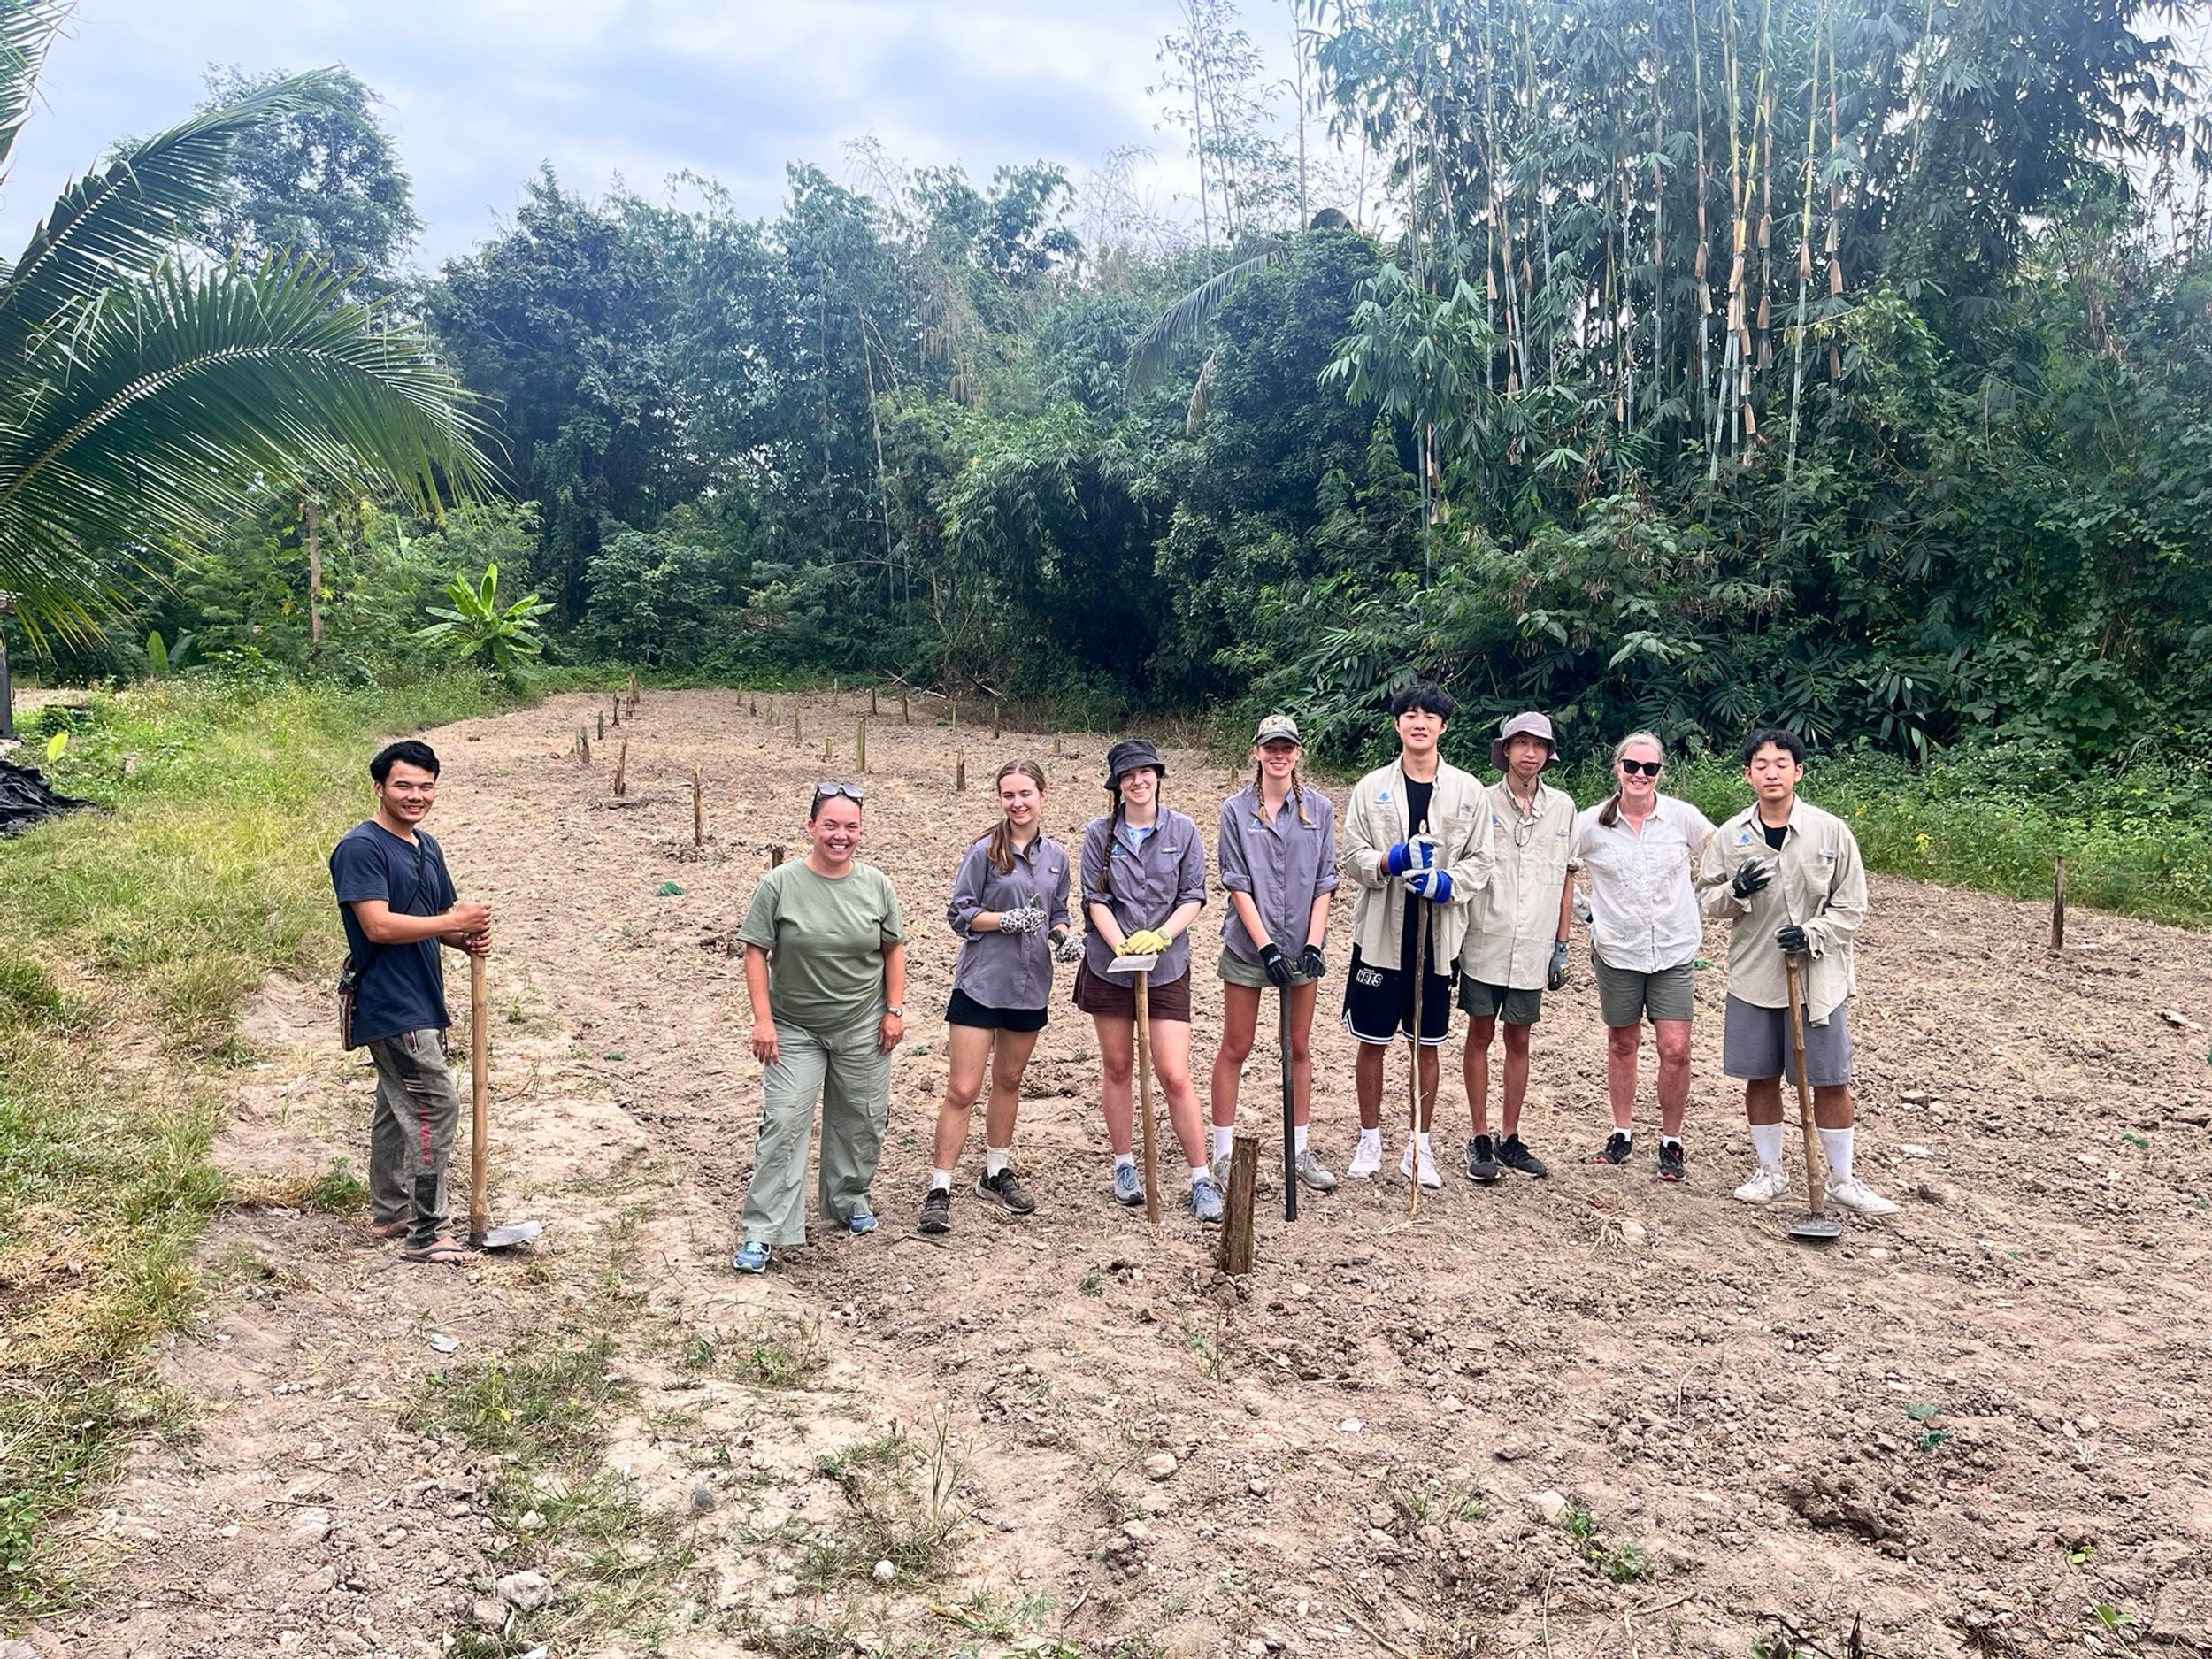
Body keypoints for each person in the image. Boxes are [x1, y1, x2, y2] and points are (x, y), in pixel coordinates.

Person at [1697, 726, 1899, 1216]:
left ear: (1798, 772)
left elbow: (1851, 906)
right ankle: (1770, 1172)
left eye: (1781, 764)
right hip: (1754, 977)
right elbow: (1706, 898)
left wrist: (1812, 933)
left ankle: (1842, 1179)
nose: (1772, 773)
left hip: (1817, 979)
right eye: (1761, 765)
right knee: (1760, 1076)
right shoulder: (1730, 836)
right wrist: (1736, 891)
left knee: (1830, 1079)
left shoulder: (1831, 832)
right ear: (1748, 775)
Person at [731, 784, 909, 1272]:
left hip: (862, 1023)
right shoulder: (779, 884)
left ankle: (848, 1198)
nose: (840, 835)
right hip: (794, 1027)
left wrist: (893, 1010)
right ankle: (763, 1229)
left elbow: (893, 948)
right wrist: (763, 1020)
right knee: (785, 1120)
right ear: (811, 827)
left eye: (851, 827)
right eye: (830, 825)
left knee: (862, 1117)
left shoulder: (877, 886)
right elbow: (755, 950)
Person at [328, 740, 492, 1266]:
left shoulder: (426, 846)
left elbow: (431, 919)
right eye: (403, 785)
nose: (415, 795)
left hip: (423, 996)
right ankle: (426, 1232)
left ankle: (392, 1212)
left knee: (395, 1106)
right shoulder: (361, 848)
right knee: (433, 1105)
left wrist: (462, 938)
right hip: (390, 1001)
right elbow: (377, 926)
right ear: (379, 787)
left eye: (426, 786)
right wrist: (454, 921)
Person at [918, 760, 1084, 1236]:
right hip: (982, 983)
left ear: (1043, 795)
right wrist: (1002, 920)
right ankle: (939, 1188)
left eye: (1025, 793)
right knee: (963, 1089)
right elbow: (960, 913)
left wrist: (1062, 936)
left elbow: (1056, 912)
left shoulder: (1057, 857)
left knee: (1008, 1081)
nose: (1017, 803)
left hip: (1029, 985)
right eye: (1008, 795)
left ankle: (995, 1172)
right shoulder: (983, 852)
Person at [1340, 682, 1494, 1187]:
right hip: (1380, 936)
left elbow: (1482, 859)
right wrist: (1389, 860)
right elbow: (1351, 857)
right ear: (1397, 724)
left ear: (1443, 726)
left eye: (1430, 715)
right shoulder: (1370, 788)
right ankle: (1369, 1138)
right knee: (1372, 1042)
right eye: (1410, 714)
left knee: (1426, 1044)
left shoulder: (1469, 791)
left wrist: (1448, 884)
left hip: (1437, 939)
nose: (1419, 722)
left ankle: (1419, 1145)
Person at [1075, 739, 1221, 1221]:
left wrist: (1159, 937)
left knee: (1174, 1073)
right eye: (1128, 775)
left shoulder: (1183, 830)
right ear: (1117, 785)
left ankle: (1200, 1177)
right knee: (1118, 1067)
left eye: (1145, 772)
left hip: (1167, 964)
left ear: (1157, 776)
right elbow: (1095, 899)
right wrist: (1121, 945)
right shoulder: (1099, 834)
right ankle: (1124, 1165)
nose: (1138, 781)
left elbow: (1193, 896)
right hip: (1109, 965)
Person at [1571, 732, 1716, 1181]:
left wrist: (1706, 898)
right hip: (1617, 950)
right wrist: (1587, 915)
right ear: (1618, 768)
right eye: (1631, 766)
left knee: (1676, 1049)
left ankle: (1672, 1140)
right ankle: (1622, 1132)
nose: (1640, 775)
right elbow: (1558, 867)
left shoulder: (1681, 817)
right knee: (1623, 1043)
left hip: (1672, 948)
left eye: (1649, 768)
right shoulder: (1591, 823)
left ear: (1660, 773)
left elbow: (1720, 853)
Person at [1207, 714, 1340, 1194]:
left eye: (1287, 747)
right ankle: (1222, 1153)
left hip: (1302, 947)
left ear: (1298, 753)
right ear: (1257, 752)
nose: (1278, 755)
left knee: (1298, 1047)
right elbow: (1237, 882)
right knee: (1236, 1046)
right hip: (1249, 946)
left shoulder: (1319, 810)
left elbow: (1325, 881)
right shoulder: (1235, 811)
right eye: (1270, 747)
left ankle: (1299, 1148)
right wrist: (1265, 946)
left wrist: (1313, 943)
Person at [1458, 712, 1574, 1185]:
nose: (1530, 753)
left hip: (1533, 945)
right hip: (1485, 939)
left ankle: (1510, 1136)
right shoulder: (1480, 803)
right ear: (1505, 750)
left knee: (1519, 1038)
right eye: (1521, 743)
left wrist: (1562, 943)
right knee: (1480, 1033)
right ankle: (1479, 1135)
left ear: (1548, 754)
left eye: (1539, 745)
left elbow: (1566, 877)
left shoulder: (1563, 808)